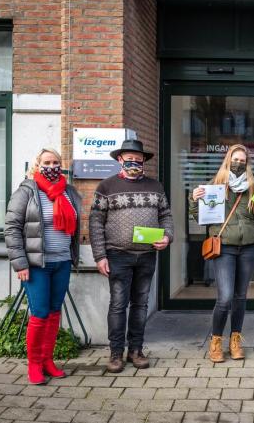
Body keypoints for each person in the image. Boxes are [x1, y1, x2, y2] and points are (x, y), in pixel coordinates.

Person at [190, 144, 254, 363]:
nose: (238, 163)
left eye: (242, 161)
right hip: (224, 248)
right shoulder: (216, 186)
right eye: (235, 159)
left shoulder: (253, 189)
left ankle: (235, 340)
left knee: (240, 297)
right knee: (225, 298)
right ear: (227, 161)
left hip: (248, 248)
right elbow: (199, 217)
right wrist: (194, 199)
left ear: (247, 164)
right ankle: (215, 341)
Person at [89, 139, 174, 373]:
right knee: (118, 305)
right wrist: (99, 256)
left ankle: (136, 350)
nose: (134, 163)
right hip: (117, 255)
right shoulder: (106, 187)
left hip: (147, 256)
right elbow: (95, 222)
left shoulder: (156, 187)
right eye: (129, 159)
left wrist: (167, 237)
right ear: (120, 160)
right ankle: (116, 353)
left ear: (144, 161)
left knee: (141, 304)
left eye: (138, 159)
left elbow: (166, 215)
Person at [4, 148, 82, 385]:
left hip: (62, 261)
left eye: (56, 162)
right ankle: (34, 365)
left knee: (54, 312)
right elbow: (11, 228)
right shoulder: (26, 191)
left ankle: (48, 360)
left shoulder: (68, 191)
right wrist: (20, 264)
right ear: (37, 165)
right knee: (39, 313)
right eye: (47, 162)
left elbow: (75, 226)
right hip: (37, 264)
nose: (52, 166)